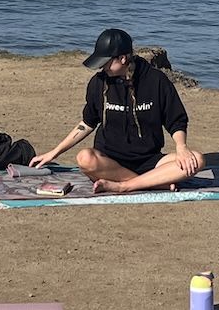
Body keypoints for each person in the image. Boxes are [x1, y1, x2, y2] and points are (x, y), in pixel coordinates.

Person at [30, 27, 203, 194]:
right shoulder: (98, 83)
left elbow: (176, 120)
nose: (102, 67)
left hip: (150, 160)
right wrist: (54, 152)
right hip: (109, 163)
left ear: (123, 58)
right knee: (84, 158)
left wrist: (182, 147)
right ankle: (151, 183)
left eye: (106, 62)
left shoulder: (156, 80)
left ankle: (125, 186)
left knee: (197, 160)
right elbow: (87, 123)